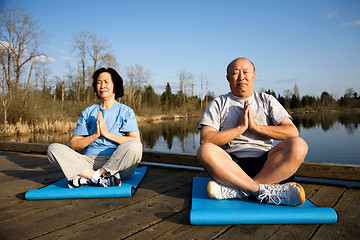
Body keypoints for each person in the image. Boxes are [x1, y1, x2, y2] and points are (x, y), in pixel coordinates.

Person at [196, 57, 308, 206]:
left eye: (246, 72)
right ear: (228, 78)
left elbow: (292, 132)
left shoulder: (267, 100)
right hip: (231, 166)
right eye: (235, 73)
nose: (241, 77)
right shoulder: (218, 103)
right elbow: (206, 139)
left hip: (267, 164)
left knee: (298, 145)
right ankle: (260, 190)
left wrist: (256, 127)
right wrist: (240, 128)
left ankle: (239, 190)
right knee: (205, 151)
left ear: (254, 75)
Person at [47, 67, 143, 188]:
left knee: (135, 146)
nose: (102, 85)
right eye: (99, 82)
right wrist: (95, 135)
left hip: (117, 164)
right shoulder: (88, 112)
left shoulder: (126, 112)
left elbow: (135, 140)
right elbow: (74, 145)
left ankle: (93, 177)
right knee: (53, 149)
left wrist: (107, 134)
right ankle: (98, 178)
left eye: (106, 82)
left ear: (115, 86)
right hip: (88, 162)